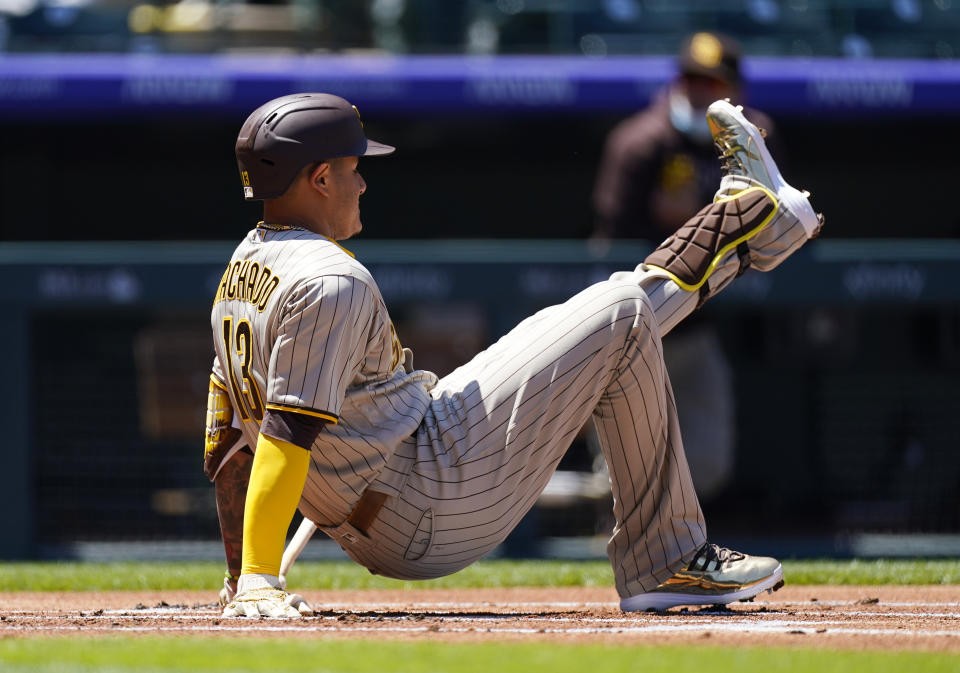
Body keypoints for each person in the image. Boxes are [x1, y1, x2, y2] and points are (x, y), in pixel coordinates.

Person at [203, 92, 822, 618]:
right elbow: (284, 436)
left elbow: (227, 444)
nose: (362, 180)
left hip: (397, 484)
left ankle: (752, 222)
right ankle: (667, 561)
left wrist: (240, 576)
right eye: (351, 168)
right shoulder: (328, 279)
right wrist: (259, 577)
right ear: (318, 179)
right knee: (621, 312)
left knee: (609, 323)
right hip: (428, 497)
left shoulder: (242, 269)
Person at [592, 32, 780, 500]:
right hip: (640, 326)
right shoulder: (641, 141)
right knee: (619, 463)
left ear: (735, 88)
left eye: (712, 82)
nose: (700, 92)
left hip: (701, 329)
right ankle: (619, 542)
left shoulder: (756, 141)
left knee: (710, 458)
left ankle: (674, 539)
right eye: (693, 80)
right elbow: (608, 237)